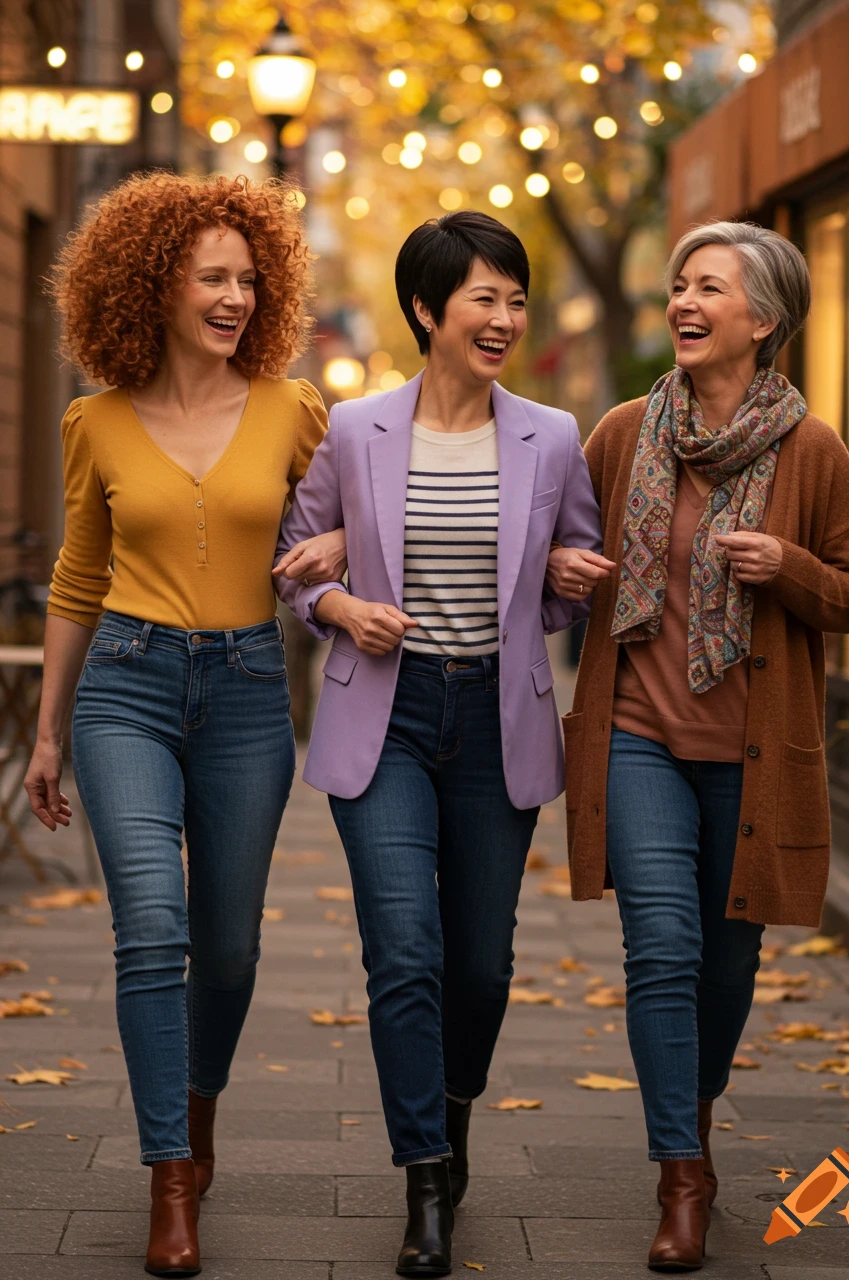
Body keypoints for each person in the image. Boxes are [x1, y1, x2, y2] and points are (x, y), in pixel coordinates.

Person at [274, 211, 610, 1277]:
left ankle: (451, 1113)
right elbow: (294, 565)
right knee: (404, 953)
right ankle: (425, 1176)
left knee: (481, 961)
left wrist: (567, 581)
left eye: (513, 298)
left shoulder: (551, 433)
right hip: (387, 714)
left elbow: (574, 567)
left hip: (493, 722)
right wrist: (340, 608)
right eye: (484, 297)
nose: (504, 316)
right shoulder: (356, 429)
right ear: (428, 310)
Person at [24, 172, 346, 1278]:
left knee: (230, 940)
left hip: (251, 689)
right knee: (150, 926)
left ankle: (196, 1106)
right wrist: (50, 731)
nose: (234, 297)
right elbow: (76, 574)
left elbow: (358, 510)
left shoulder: (295, 409)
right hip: (125, 681)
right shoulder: (94, 420)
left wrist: (342, 548)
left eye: (248, 278)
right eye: (211, 276)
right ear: (151, 284)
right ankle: (170, 1174)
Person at [556, 221, 849, 1271]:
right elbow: (561, 554)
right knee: (661, 947)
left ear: (763, 319)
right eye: (677, 286)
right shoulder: (617, 433)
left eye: (707, 288)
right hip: (639, 733)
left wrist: (784, 562)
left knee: (726, 963)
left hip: (750, 751)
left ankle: (689, 1107)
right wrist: (562, 569)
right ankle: (680, 1171)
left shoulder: (813, 450)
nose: (682, 303)